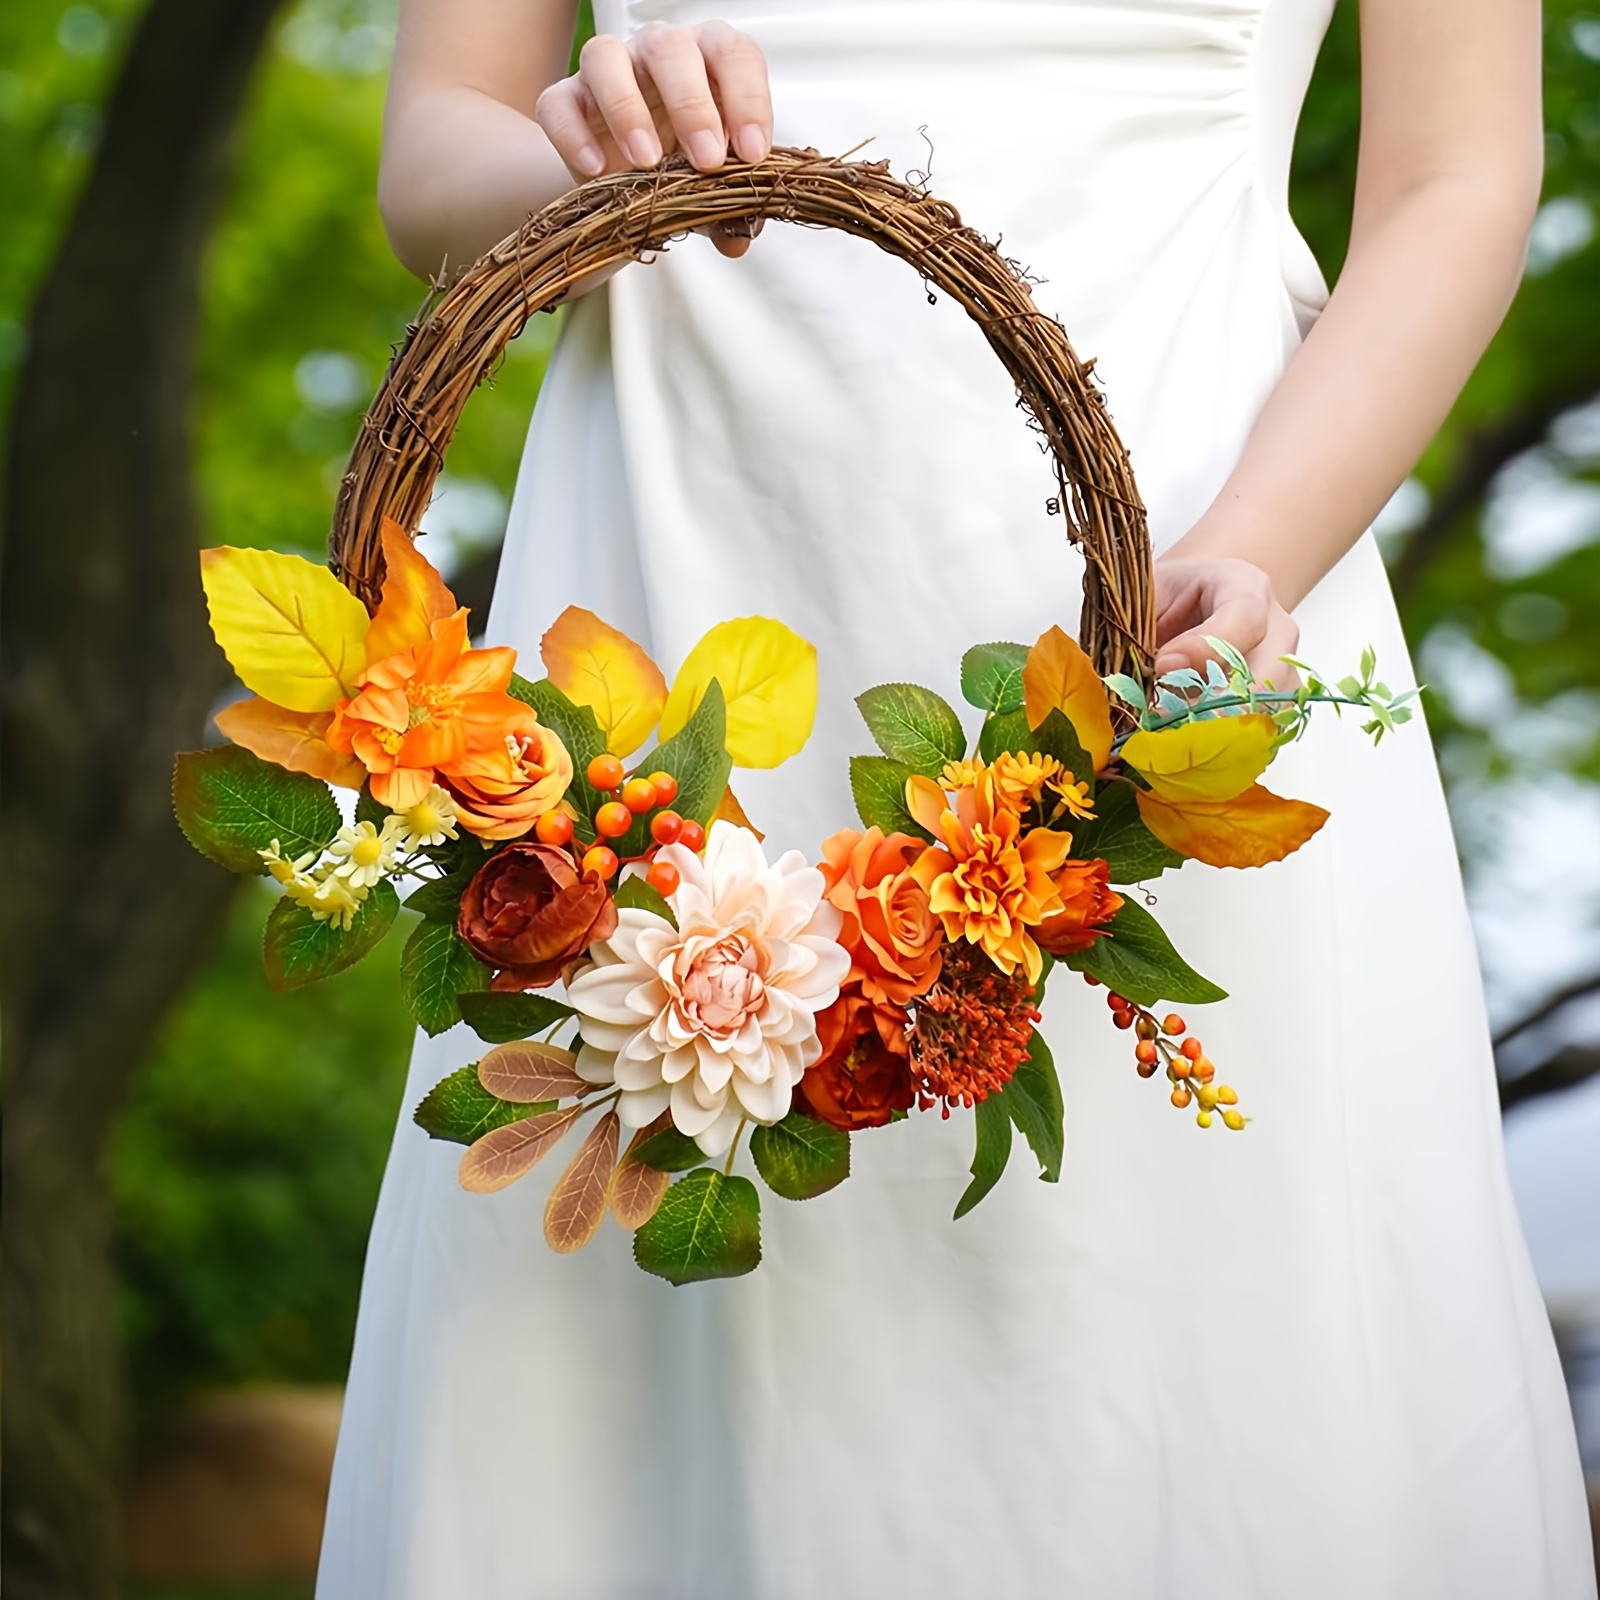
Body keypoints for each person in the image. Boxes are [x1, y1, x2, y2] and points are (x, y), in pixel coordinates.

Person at [318, 2, 1597, 1595]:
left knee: (1202, 1357)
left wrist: (1255, 550)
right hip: (685, 573)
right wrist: (594, 148)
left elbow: (1457, 180)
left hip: (1193, 591)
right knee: (648, 1367)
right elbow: (437, 145)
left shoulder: (1222, 581)